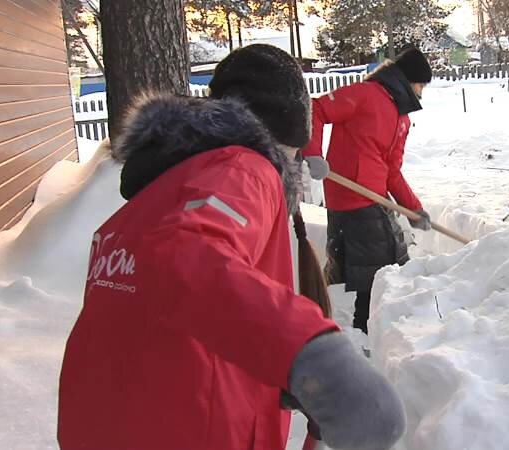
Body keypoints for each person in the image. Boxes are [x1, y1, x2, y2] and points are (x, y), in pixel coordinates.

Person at [58, 44, 405, 450]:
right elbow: (186, 257)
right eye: (295, 150)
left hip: (109, 423)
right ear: (283, 132)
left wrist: (268, 368)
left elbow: (170, 323)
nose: (294, 165)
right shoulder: (245, 168)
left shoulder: (160, 193)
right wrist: (312, 357)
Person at [302, 47, 433, 334]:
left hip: (373, 199)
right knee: (378, 266)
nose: (422, 91)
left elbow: (391, 171)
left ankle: (356, 323)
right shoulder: (365, 94)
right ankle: (364, 331)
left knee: (377, 261)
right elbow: (317, 109)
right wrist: (313, 153)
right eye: (421, 84)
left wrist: (412, 207)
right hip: (350, 197)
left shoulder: (402, 119)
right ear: (408, 80)